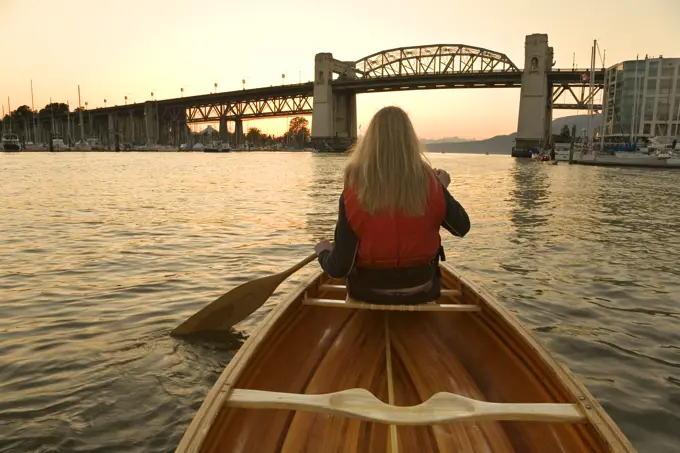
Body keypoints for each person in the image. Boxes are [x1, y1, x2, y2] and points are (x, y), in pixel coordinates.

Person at [313, 106, 470, 305]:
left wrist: (324, 253)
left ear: (370, 141)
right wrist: (441, 189)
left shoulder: (354, 186)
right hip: (421, 288)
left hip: (367, 291)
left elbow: (339, 269)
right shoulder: (431, 183)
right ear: (410, 140)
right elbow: (462, 227)